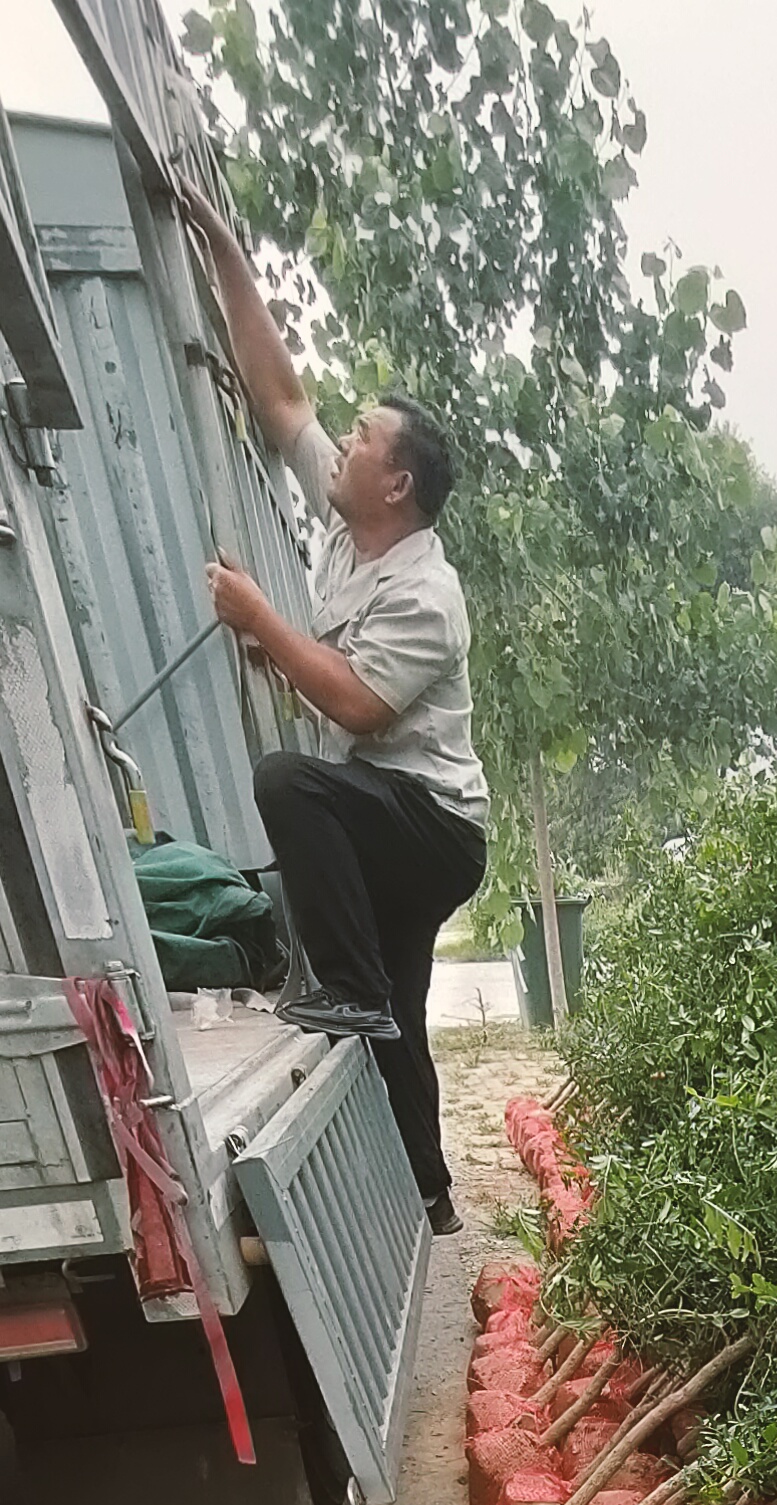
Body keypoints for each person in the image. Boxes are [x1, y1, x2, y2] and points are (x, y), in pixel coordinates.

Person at [178, 185, 487, 1234]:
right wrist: (224, 248)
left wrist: (262, 618)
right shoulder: (352, 530)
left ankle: (344, 986)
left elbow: (354, 707)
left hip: (434, 830)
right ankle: (431, 1196)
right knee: (401, 1013)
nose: (341, 443)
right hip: (386, 819)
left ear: (396, 481)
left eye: (362, 439)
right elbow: (279, 399)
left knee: (287, 780)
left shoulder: (425, 592)